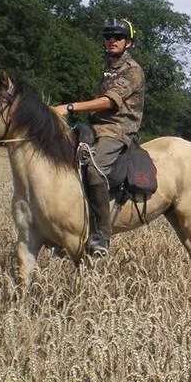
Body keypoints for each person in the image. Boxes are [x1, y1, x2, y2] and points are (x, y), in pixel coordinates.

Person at [53, 17, 146, 255]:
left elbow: (107, 101)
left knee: (94, 170)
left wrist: (70, 107)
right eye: (108, 36)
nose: (112, 41)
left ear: (129, 42)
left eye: (118, 37)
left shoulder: (132, 70)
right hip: (95, 127)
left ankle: (100, 236)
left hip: (118, 130)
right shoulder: (106, 68)